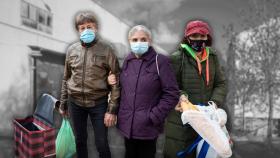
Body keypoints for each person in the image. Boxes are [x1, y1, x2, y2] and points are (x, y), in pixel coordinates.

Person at [108, 25, 179, 158]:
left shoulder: (160, 61)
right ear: (129, 41)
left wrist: (154, 116)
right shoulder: (126, 62)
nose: (138, 43)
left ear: (150, 41)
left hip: (148, 127)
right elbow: (123, 88)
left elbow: (172, 93)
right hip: (127, 124)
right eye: (135, 40)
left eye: (143, 39)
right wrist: (112, 79)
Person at [59, 11, 120, 158]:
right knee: (80, 141)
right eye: (82, 28)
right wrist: (63, 103)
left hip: (98, 104)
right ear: (78, 30)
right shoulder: (71, 50)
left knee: (101, 143)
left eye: (90, 27)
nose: (86, 30)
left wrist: (112, 109)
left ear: (96, 28)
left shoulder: (107, 50)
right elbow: (66, 78)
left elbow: (116, 81)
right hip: (75, 103)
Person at [163, 20, 227, 158]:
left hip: (206, 122)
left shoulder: (213, 57)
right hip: (181, 124)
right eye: (194, 36)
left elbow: (220, 83)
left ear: (207, 38)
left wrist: (214, 103)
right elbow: (169, 87)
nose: (198, 40)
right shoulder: (176, 58)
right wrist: (182, 97)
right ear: (187, 37)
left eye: (202, 36)